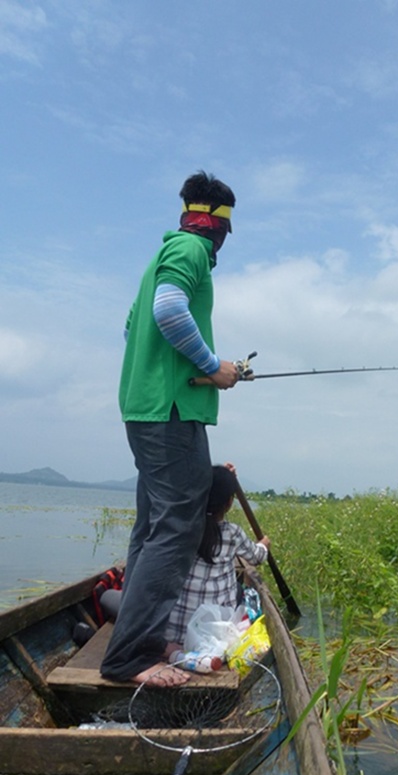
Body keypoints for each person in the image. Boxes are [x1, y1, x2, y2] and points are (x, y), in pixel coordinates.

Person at [100, 171, 240, 687]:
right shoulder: (191, 250)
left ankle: (137, 637)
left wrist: (186, 367)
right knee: (178, 529)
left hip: (145, 407)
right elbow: (167, 312)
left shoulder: (160, 256)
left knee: (152, 528)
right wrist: (213, 366)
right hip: (172, 412)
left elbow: (132, 326)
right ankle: (131, 656)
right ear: (218, 226)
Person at [164, 463, 270, 654]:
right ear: (229, 503)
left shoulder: (182, 527)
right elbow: (256, 557)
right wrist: (264, 544)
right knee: (239, 589)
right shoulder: (232, 532)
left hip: (173, 635)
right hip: (213, 638)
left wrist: (222, 478)